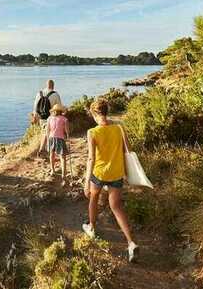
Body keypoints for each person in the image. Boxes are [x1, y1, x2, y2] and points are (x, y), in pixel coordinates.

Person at [82, 98, 139, 262]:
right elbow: (128, 151)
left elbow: (91, 159)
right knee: (116, 206)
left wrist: (86, 182)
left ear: (94, 114)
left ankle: (92, 227)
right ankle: (131, 243)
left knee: (93, 198)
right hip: (116, 173)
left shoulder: (92, 132)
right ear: (106, 112)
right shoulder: (119, 129)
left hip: (99, 173)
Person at [42, 103, 70, 184]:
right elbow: (67, 131)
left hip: (51, 138)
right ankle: (63, 175)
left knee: (52, 155)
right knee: (63, 157)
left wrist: (47, 140)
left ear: (54, 111)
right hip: (60, 139)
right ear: (61, 111)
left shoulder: (49, 118)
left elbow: (47, 130)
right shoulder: (64, 119)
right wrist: (68, 137)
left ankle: (52, 170)